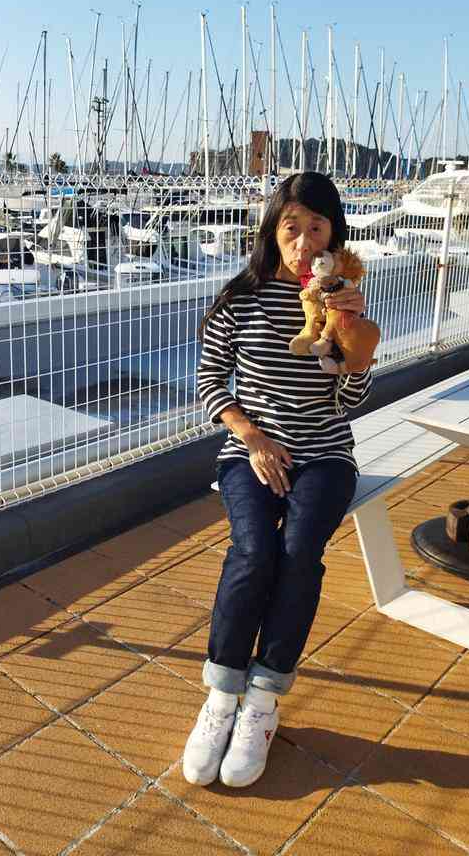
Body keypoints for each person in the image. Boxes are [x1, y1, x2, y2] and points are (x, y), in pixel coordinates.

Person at [182, 171, 372, 789]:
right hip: (252, 452)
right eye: (291, 227)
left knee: (298, 554)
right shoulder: (240, 298)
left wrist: (353, 344)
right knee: (253, 551)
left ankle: (262, 701)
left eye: (316, 227)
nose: (303, 240)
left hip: (325, 454)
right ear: (272, 231)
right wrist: (253, 438)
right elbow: (209, 382)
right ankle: (221, 694)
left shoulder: (340, 303)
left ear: (333, 237)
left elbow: (351, 403)